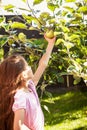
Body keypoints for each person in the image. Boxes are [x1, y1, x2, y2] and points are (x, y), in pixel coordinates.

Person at [0, 34, 56, 130]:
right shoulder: (21, 96)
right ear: (23, 75)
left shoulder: (30, 86)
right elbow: (18, 126)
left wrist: (50, 44)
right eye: (27, 66)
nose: (30, 67)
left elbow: (43, 64)